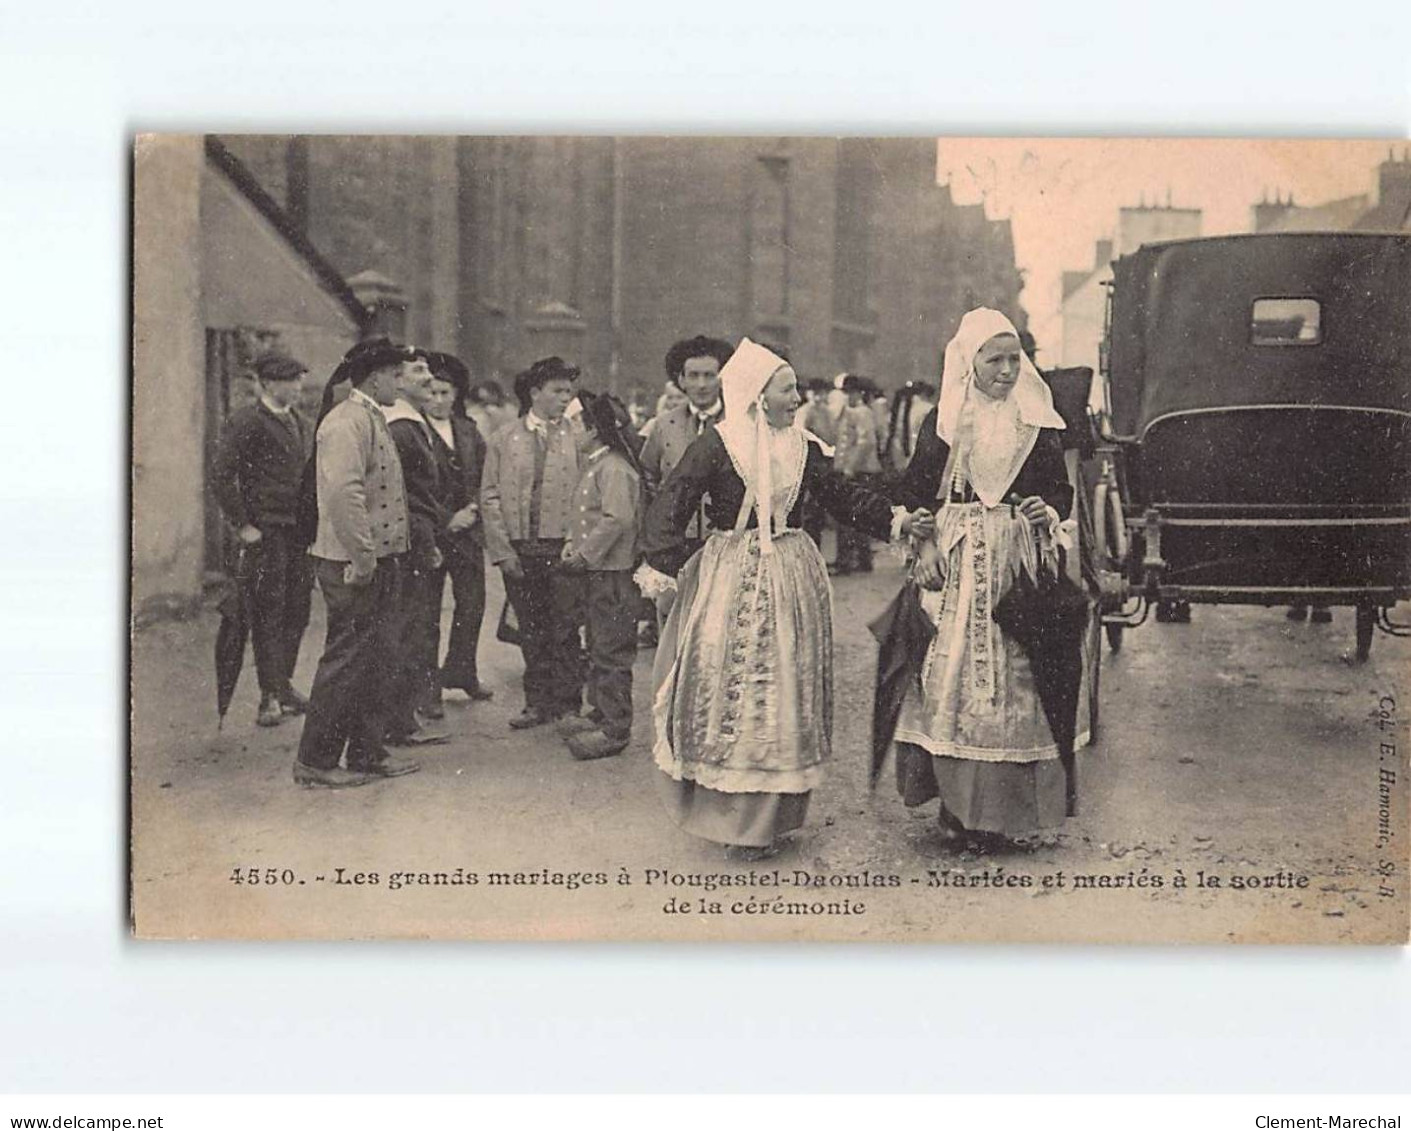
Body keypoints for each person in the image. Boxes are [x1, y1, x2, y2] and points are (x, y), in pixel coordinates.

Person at [638, 339, 933, 859]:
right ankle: (732, 817)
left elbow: (841, 496)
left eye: (795, 389)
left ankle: (775, 814)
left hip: (792, 574)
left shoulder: (804, 446)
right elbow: (674, 498)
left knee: (784, 688)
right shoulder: (719, 444)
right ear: (757, 395)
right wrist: (667, 563)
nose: (797, 399)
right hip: (732, 574)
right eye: (788, 389)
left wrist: (897, 519)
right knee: (734, 683)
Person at [888, 308, 1079, 846]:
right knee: (950, 676)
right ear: (969, 363)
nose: (1006, 370)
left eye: (1014, 359)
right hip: (957, 556)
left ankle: (1002, 811)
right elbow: (914, 491)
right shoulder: (946, 419)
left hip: (1014, 556)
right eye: (994, 359)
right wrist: (922, 542)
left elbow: (1058, 492)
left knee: (1014, 676)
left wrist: (1046, 510)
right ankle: (955, 808)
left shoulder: (1035, 420)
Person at [294, 339, 422, 788]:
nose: (402, 384)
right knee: (346, 661)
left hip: (378, 559)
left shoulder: (369, 417)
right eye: (396, 376)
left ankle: (368, 753)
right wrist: (364, 558)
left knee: (377, 656)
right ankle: (315, 761)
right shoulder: (346, 422)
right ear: (375, 378)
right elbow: (343, 496)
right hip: (351, 561)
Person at [210, 351, 315, 727]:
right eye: (292, 380)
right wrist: (242, 525)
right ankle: (268, 697)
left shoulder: (302, 423)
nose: (299, 387)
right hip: (266, 533)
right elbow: (221, 475)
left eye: (300, 380)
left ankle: (283, 686)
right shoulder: (248, 421)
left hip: (298, 534)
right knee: (268, 613)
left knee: (297, 611)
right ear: (270, 383)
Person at [480, 356, 586, 729]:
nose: (565, 398)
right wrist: (503, 551)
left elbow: (587, 495)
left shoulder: (579, 438)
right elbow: (489, 496)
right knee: (531, 629)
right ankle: (537, 703)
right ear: (535, 392)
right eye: (557, 391)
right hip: (521, 549)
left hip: (563, 548)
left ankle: (569, 705)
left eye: (569, 391)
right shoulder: (503, 439)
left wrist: (577, 543)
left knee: (566, 627)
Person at [558, 392, 644, 760]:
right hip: (598, 572)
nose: (571, 430)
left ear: (594, 430)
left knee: (611, 651)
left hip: (614, 574)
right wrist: (569, 543)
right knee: (597, 644)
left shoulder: (613, 468)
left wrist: (585, 553)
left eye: (576, 424)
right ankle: (600, 712)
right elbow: (585, 514)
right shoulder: (595, 464)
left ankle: (615, 727)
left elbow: (617, 519)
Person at [381, 349, 452, 746]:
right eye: (417, 370)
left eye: (428, 369)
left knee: (413, 629)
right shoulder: (402, 427)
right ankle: (397, 722)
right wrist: (426, 542)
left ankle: (401, 718)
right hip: (409, 542)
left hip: (416, 538)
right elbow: (409, 497)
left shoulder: (412, 422)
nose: (428, 377)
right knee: (408, 630)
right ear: (398, 379)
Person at [638, 335, 732, 625]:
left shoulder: (738, 423)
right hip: (675, 546)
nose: (701, 384)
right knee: (674, 627)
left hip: (724, 546)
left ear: (722, 378)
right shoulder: (664, 425)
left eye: (709, 375)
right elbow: (647, 479)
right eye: (693, 376)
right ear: (681, 380)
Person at [424, 352, 493, 705]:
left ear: (455, 395)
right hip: (431, 534)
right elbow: (412, 486)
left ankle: (462, 671)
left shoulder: (468, 431)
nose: (437, 400)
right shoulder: (414, 430)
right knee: (427, 610)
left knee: (472, 604)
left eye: (444, 393)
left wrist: (473, 509)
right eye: (432, 392)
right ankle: (427, 686)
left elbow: (485, 476)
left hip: (467, 532)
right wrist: (445, 519)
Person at [831, 373, 885, 574]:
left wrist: (849, 467)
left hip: (860, 471)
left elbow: (866, 442)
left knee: (851, 516)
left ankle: (848, 561)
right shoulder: (849, 411)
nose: (849, 396)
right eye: (846, 393)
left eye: (852, 393)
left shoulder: (862, 412)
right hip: (855, 470)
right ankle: (860, 560)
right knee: (856, 517)